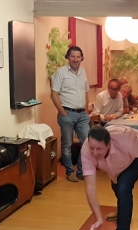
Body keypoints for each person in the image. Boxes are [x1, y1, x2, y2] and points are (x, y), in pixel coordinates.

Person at [50, 46, 90, 182]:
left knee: (87, 142)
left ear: (82, 58)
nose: (75, 59)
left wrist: (86, 111)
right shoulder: (61, 73)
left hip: (82, 114)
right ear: (68, 57)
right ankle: (69, 172)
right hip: (67, 113)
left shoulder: (83, 72)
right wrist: (63, 113)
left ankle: (81, 171)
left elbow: (86, 92)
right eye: (73, 56)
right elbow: (53, 95)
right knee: (67, 145)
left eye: (78, 57)